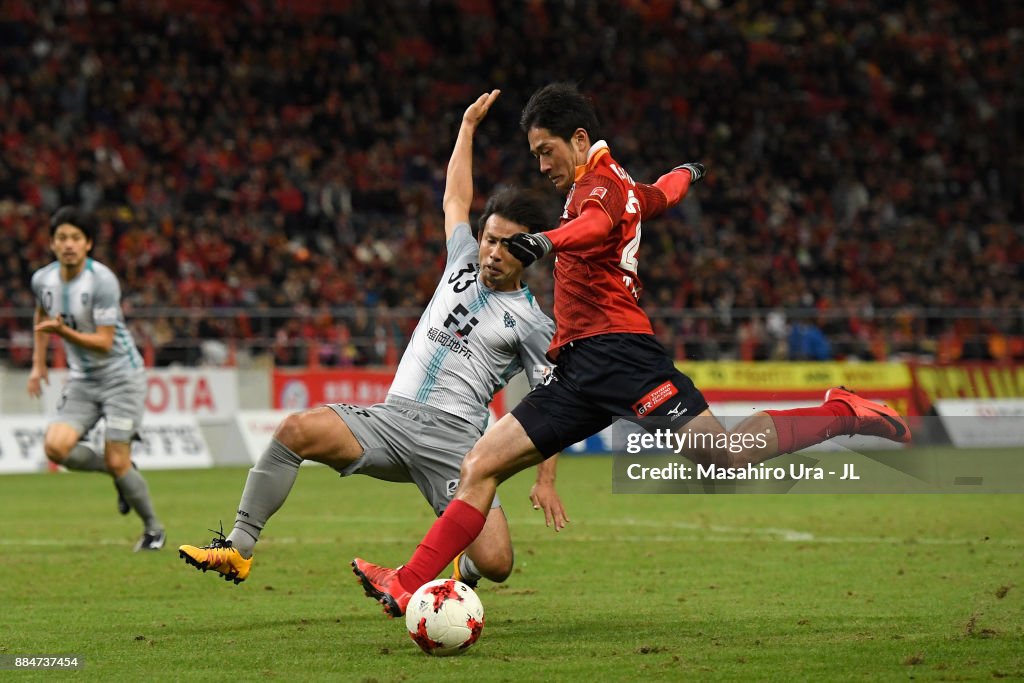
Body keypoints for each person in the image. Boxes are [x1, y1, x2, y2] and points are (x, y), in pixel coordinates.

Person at [352, 82, 911, 617]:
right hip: (576, 369)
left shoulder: (598, 185)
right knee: (480, 465)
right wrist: (687, 173)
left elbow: (595, 225)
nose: (541, 166)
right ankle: (406, 585)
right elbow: (662, 194)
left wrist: (545, 240)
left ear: (577, 139)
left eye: (545, 151)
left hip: (623, 357)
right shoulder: (619, 184)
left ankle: (841, 413)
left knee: (722, 456)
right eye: (534, 155)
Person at [178, 90, 567, 588]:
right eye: (489, 238)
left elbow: (553, 401)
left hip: (457, 445)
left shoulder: (533, 323)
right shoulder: (461, 259)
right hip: (390, 419)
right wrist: (466, 129)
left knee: (496, 564)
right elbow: (454, 198)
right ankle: (238, 547)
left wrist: (546, 478)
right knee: (295, 430)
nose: (491, 251)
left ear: (529, 251)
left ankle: (449, 583)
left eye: (506, 244)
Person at [28, 206, 165, 552]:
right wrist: (38, 363)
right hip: (83, 381)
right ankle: (120, 472)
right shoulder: (42, 279)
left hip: (122, 377)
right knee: (55, 448)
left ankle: (153, 530)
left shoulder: (102, 281)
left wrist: (62, 331)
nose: (68, 244)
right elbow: (42, 313)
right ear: (52, 244)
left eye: (76, 238)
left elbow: (104, 342)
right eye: (62, 238)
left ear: (88, 244)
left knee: (117, 458)